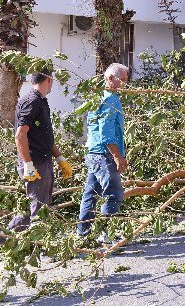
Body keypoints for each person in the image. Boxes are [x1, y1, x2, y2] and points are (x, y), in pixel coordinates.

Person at [9, 69, 73, 231]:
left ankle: (8, 238)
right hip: (34, 162)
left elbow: (44, 135)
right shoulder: (32, 101)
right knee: (38, 207)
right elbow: (20, 135)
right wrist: (28, 164)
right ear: (49, 80)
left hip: (42, 160)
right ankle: (34, 246)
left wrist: (60, 158)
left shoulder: (41, 101)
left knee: (33, 206)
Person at [77, 63, 129, 241]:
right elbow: (106, 133)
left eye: (126, 80)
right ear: (110, 78)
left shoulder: (98, 96)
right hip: (104, 154)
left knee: (90, 193)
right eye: (121, 80)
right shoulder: (111, 99)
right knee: (114, 193)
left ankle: (83, 233)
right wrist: (117, 156)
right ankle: (105, 234)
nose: (124, 84)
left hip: (93, 152)